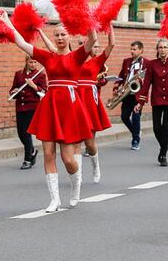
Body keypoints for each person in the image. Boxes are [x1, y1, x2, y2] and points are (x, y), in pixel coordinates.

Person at [6, 15, 96, 211]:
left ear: (69, 37)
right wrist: (7, 22)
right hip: (50, 107)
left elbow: (93, 39)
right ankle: (54, 200)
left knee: (69, 159)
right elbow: (21, 43)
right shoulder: (48, 57)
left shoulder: (77, 56)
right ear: (53, 38)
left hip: (70, 109)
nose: (60, 38)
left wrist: (86, 17)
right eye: (57, 35)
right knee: (48, 154)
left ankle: (75, 184)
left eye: (63, 34)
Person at [41, 28, 115, 183]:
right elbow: (52, 49)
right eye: (81, 43)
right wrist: (40, 31)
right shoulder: (73, 58)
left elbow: (111, 45)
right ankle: (78, 177)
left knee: (89, 143)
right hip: (73, 100)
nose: (85, 45)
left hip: (87, 103)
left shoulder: (96, 61)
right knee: (75, 143)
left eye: (86, 42)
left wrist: (109, 26)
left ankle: (96, 166)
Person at [134, 39, 168, 167]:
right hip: (157, 99)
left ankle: (163, 154)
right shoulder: (152, 64)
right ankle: (164, 145)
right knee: (156, 128)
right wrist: (140, 102)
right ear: (157, 49)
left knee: (165, 127)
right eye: (160, 47)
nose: (163, 50)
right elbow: (146, 83)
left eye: (165, 47)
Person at [9, 56, 47, 169]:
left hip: (32, 107)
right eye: (31, 62)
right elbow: (12, 89)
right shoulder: (18, 74)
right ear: (26, 61)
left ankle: (27, 160)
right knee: (21, 133)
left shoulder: (40, 75)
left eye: (35, 62)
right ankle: (31, 151)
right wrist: (14, 91)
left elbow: (44, 92)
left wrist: (34, 86)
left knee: (26, 133)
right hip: (20, 107)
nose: (33, 64)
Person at [115, 41, 147, 150]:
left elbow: (147, 80)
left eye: (134, 49)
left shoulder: (146, 63)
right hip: (126, 93)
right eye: (131, 49)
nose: (132, 51)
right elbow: (121, 76)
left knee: (136, 117)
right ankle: (136, 132)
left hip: (138, 94)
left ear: (141, 50)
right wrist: (117, 87)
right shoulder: (126, 61)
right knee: (124, 117)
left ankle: (135, 140)